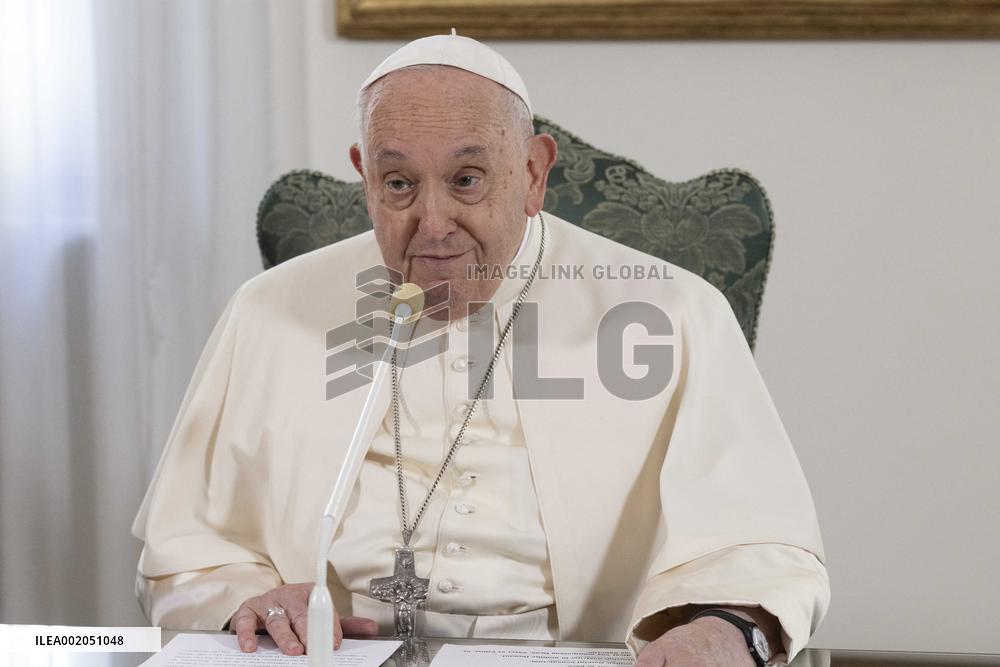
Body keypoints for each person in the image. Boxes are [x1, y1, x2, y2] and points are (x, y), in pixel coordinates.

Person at [131, 33, 829, 666]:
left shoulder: (669, 313)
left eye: (467, 179)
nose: (433, 224)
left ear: (532, 172)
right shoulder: (269, 311)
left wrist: (724, 626)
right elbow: (188, 553)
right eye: (399, 183)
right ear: (364, 176)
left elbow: (757, 551)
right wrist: (245, 598)